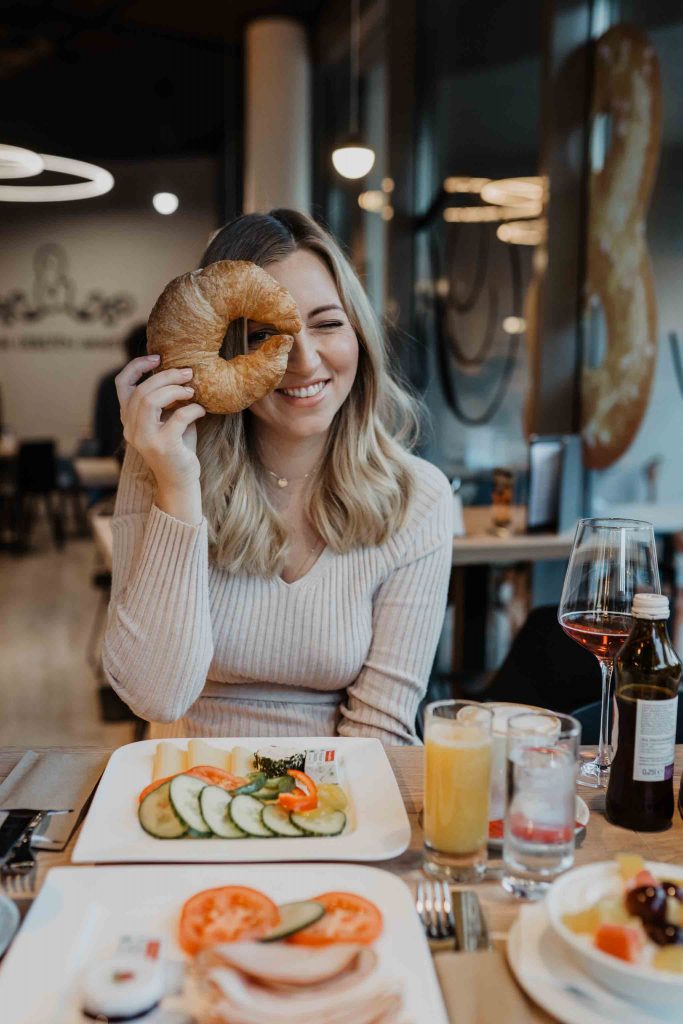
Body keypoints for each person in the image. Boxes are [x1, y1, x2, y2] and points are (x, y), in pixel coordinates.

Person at [102, 210, 453, 744]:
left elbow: (380, 730)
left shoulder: (419, 497)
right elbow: (157, 697)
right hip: (184, 788)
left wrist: (298, 810)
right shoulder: (161, 469)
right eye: (266, 334)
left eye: (328, 323)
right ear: (220, 348)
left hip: (339, 797)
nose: (306, 360)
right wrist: (178, 487)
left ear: (358, 332)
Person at [93, 324, 148, 459]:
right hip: (137, 454)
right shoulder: (113, 381)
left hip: (116, 453)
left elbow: (101, 430)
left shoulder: (111, 380)